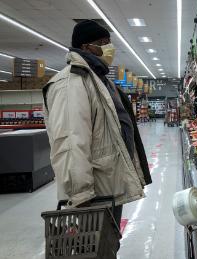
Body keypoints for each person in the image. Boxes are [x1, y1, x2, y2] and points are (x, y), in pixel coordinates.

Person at [42, 20, 152, 225]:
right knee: (93, 247)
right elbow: (70, 142)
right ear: (85, 47)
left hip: (108, 183)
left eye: (109, 42)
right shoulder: (71, 83)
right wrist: (80, 194)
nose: (109, 48)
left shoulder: (100, 80)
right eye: (103, 42)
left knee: (109, 245)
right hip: (93, 192)